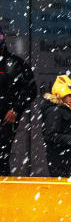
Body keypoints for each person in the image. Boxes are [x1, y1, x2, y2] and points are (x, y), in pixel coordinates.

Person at [0, 26, 37, 175]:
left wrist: (16, 109)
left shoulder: (15, 64)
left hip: (6, 120)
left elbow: (30, 90)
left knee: (2, 156)